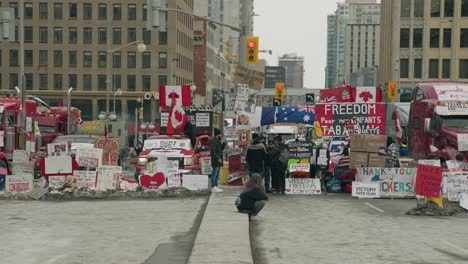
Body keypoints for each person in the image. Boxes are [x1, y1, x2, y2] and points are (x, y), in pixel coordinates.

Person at [209, 128, 225, 192]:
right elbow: (213, 151)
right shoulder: (213, 141)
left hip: (218, 159)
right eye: (220, 134)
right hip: (216, 160)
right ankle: (213, 186)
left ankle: (216, 185)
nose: (221, 136)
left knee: (217, 174)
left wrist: (224, 144)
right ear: (217, 135)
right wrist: (218, 158)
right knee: (214, 173)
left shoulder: (218, 141)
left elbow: (220, 149)